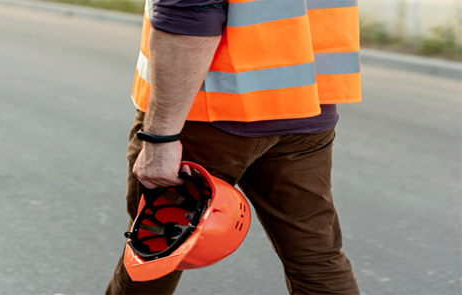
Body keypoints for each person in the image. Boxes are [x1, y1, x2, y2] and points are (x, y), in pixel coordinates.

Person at [105, 0, 361, 294]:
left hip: (208, 115)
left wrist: (161, 137)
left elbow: (189, 15)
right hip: (305, 107)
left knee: (156, 249)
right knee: (316, 257)